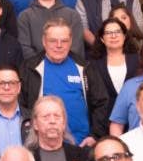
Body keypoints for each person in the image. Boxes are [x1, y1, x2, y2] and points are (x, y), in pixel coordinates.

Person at [19, 17, 110, 145]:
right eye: (53, 41)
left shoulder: (84, 67)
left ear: (71, 41)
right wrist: (31, 138)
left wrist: (95, 135)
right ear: (44, 41)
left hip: (82, 145)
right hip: (42, 146)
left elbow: (101, 102)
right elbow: (21, 107)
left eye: (64, 41)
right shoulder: (29, 68)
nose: (59, 45)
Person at [29, 95, 96, 161]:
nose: (52, 121)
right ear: (35, 124)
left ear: (64, 123)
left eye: (57, 116)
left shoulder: (83, 156)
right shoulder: (27, 159)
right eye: (46, 117)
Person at [18, 0, 86, 60]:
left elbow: (76, 46)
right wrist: (42, 64)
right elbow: (24, 46)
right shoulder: (25, 16)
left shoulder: (72, 15)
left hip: (67, 66)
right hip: (36, 68)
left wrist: (62, 62)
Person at [88, 17, 140, 104]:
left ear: (124, 36)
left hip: (135, 112)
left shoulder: (137, 59)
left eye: (117, 32)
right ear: (102, 39)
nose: (113, 36)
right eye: (108, 33)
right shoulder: (93, 64)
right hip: (107, 114)